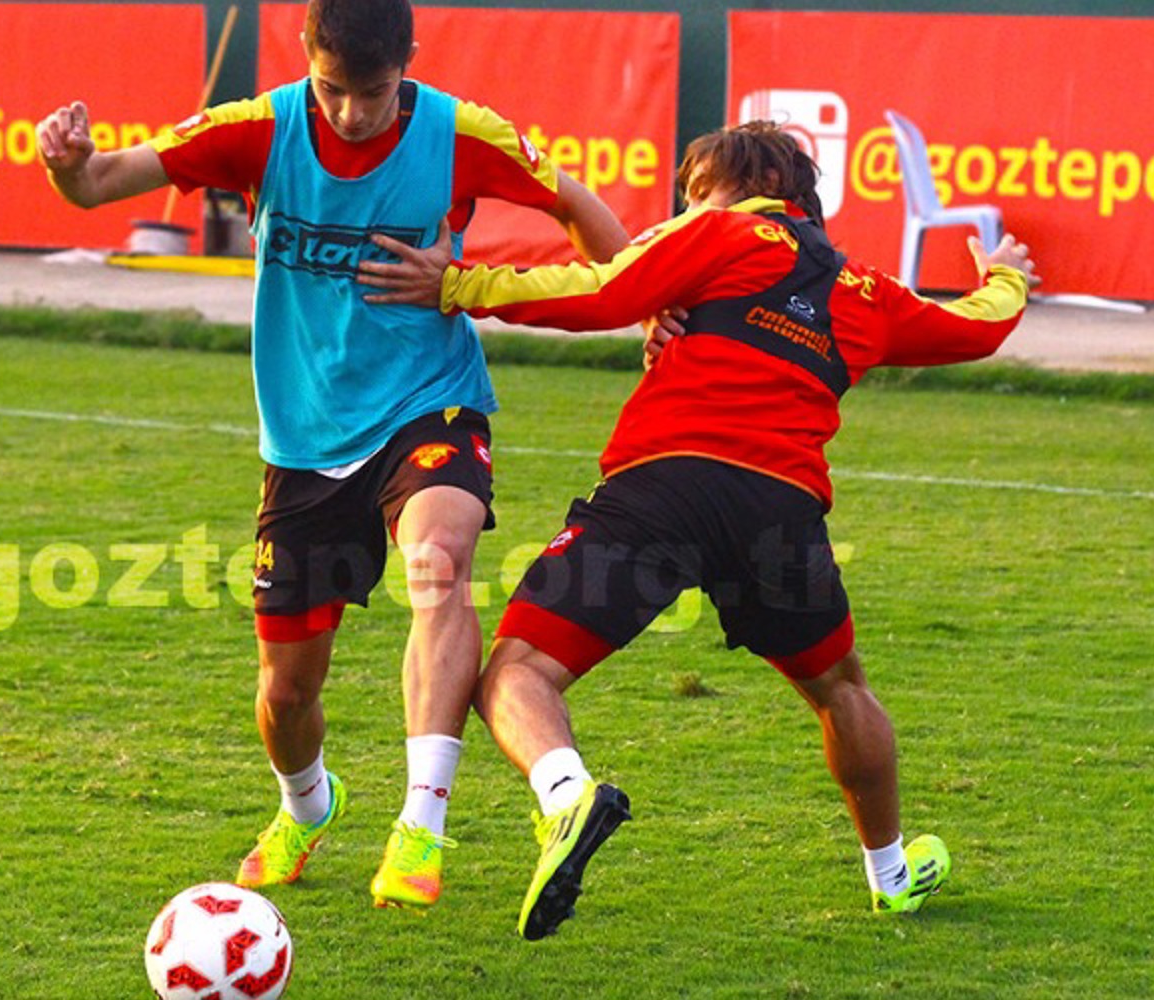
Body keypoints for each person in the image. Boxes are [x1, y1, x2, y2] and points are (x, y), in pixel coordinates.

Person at [359, 120, 1037, 937]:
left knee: (516, 673)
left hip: (661, 488)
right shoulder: (868, 293)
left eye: (695, 190)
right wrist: (1007, 275)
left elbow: (601, 290)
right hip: (779, 513)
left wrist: (459, 285)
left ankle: (567, 797)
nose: (684, 208)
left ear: (750, 183)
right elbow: (978, 326)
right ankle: (891, 873)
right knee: (841, 690)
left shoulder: (720, 232)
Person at [36, 0, 627, 909]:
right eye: (332, 89)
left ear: (410, 63)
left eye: (374, 92)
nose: (351, 112)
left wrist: (647, 305)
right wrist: (67, 164)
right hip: (306, 441)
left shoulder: (462, 135)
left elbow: (584, 215)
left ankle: (421, 825)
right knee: (285, 693)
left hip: (430, 403)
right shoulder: (258, 128)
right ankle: (307, 807)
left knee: (439, 563)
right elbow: (100, 183)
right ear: (306, 55)